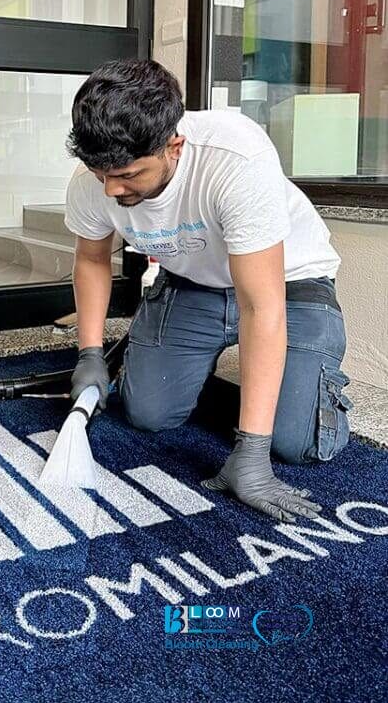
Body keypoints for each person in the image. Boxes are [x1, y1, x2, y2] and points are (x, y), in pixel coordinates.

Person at [64, 58, 351, 523]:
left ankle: (283, 403)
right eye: (102, 175)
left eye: (129, 175)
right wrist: (90, 354)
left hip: (288, 286)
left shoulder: (236, 159)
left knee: (295, 444)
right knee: (147, 413)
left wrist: (252, 453)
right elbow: (92, 259)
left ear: (173, 145)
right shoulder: (95, 178)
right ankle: (245, 389)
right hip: (193, 283)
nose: (112, 190)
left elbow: (262, 306)